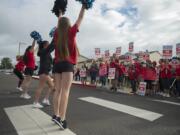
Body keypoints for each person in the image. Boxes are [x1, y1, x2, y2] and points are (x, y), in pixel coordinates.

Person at [51, 4, 86, 129]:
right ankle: (62, 118)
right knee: (65, 92)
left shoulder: (56, 33)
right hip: (67, 64)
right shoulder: (71, 32)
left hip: (56, 65)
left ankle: (55, 115)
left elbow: (59, 22)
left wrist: (60, 12)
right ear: (68, 25)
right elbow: (80, 18)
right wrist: (84, 5)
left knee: (57, 90)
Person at [33, 41, 54, 108]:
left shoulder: (45, 52)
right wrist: (55, 37)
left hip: (46, 72)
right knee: (40, 87)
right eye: (48, 44)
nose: (49, 45)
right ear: (45, 45)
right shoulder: (44, 51)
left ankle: (46, 99)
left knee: (52, 86)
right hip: (43, 72)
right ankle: (35, 102)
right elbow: (52, 45)